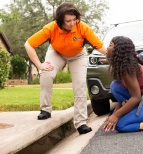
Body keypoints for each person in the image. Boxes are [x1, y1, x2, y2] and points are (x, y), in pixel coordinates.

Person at [24, 2, 107, 135]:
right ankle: (45, 109)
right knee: (46, 73)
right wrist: (40, 65)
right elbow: (28, 44)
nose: (72, 23)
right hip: (57, 52)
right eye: (68, 21)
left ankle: (81, 123)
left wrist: (117, 56)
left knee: (79, 84)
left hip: (78, 55)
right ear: (59, 21)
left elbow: (100, 47)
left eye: (74, 19)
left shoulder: (82, 27)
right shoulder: (50, 28)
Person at [102, 36, 143, 133]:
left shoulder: (128, 68)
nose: (107, 48)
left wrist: (116, 116)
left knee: (120, 125)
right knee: (115, 86)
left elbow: (136, 97)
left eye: (110, 45)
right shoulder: (125, 66)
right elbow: (124, 97)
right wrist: (114, 114)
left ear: (118, 51)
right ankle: (135, 112)